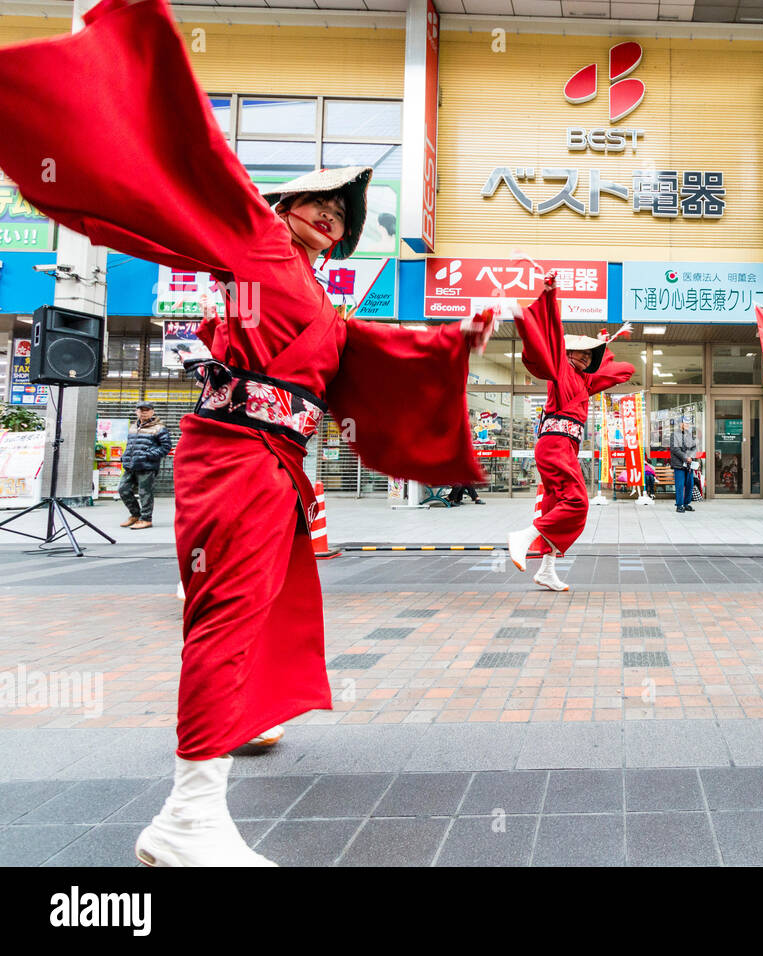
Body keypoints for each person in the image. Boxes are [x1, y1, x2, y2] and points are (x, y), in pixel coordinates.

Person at [0, 0, 494, 864]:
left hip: (274, 463)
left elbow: (366, 354)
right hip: (232, 453)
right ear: (285, 204)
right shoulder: (256, 240)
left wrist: (456, 339)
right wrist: (149, 49)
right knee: (227, 610)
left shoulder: (315, 292)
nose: (335, 221)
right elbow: (208, 165)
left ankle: (247, 720)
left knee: (258, 602)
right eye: (323, 205)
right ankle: (188, 815)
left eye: (346, 215)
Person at [505, 276, 634, 590]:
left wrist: (609, 350)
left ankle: (547, 569)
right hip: (556, 445)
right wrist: (549, 295)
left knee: (555, 504)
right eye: (584, 353)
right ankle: (526, 535)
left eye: (591, 355)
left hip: (563, 446)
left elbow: (617, 372)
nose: (589, 358)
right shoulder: (559, 368)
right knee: (577, 502)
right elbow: (548, 335)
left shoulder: (583, 380)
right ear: (568, 353)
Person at [118, 400, 172, 530]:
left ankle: (146, 519)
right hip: (131, 465)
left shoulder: (159, 428)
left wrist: (147, 456)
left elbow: (166, 447)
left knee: (145, 493)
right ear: (136, 412)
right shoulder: (133, 427)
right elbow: (130, 445)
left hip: (147, 466)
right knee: (123, 490)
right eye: (141, 410)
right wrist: (125, 457)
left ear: (152, 412)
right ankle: (135, 515)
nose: (143, 413)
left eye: (146, 410)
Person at [669, 417, 698, 514]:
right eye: (685, 423)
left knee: (690, 484)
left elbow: (694, 447)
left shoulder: (690, 435)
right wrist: (686, 457)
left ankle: (686, 504)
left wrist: (690, 457)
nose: (687, 425)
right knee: (680, 485)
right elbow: (675, 449)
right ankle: (679, 505)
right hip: (679, 464)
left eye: (688, 423)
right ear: (680, 424)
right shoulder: (674, 435)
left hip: (689, 464)